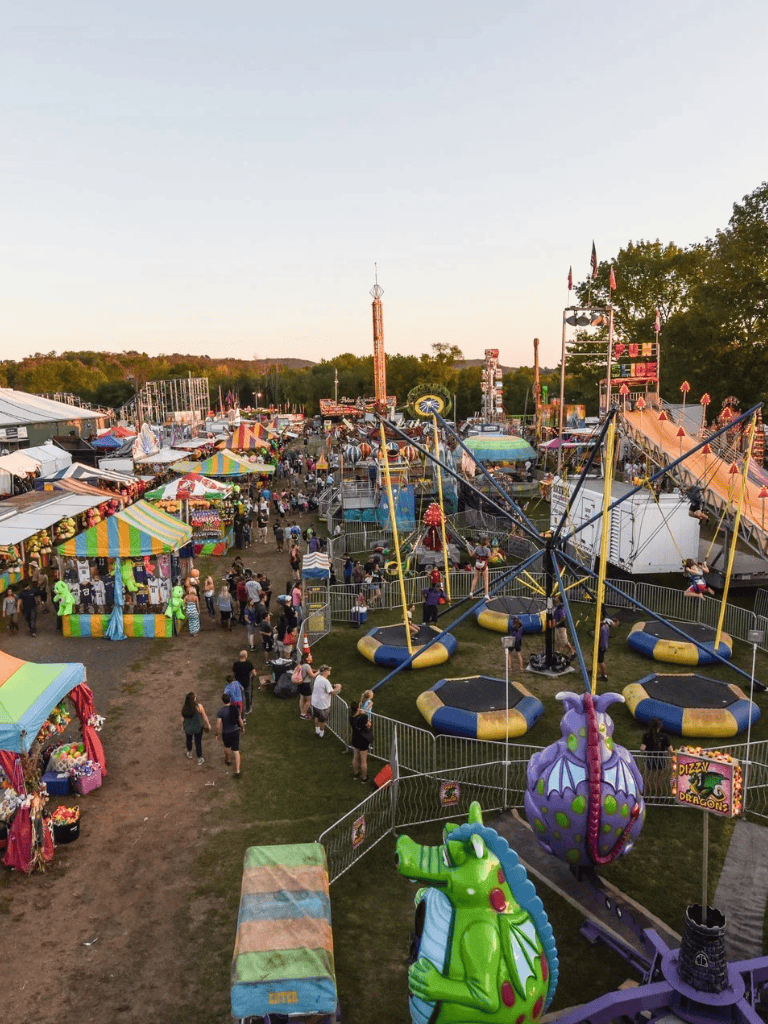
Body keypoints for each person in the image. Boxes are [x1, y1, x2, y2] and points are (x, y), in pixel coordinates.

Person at [640, 717, 673, 793]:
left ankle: (646, 794)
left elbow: (642, 748)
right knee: (659, 779)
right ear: (659, 726)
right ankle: (658, 795)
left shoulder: (647, 736)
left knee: (648, 778)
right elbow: (670, 749)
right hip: (661, 761)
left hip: (650, 761)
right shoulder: (664, 736)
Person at [216, 693, 245, 777]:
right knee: (236, 751)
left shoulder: (221, 711)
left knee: (226, 747)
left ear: (223, 701)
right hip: (235, 731)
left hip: (226, 732)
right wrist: (242, 728)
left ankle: (228, 760)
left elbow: (218, 725)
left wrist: (217, 733)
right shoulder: (235, 709)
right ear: (230, 700)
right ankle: (238, 771)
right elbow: (239, 720)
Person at [311, 665, 342, 738]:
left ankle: (317, 730)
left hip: (315, 703)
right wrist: (338, 687)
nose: (329, 671)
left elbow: (325, 687)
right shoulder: (326, 681)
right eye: (328, 670)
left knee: (316, 717)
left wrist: (333, 685)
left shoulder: (318, 677)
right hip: (323, 705)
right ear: (325, 672)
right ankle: (322, 734)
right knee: (322, 720)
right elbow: (332, 693)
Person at [181, 691, 210, 765]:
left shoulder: (185, 708)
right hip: (198, 728)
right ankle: (199, 758)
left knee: (188, 739)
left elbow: (182, 719)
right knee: (198, 742)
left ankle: (189, 752)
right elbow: (204, 716)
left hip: (188, 728)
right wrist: (208, 724)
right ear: (194, 699)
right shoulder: (198, 706)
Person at [349, 700, 373, 782]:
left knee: (355, 756)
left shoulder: (351, 717)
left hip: (355, 738)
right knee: (363, 760)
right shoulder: (363, 717)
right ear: (358, 708)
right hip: (363, 739)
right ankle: (364, 778)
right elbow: (368, 726)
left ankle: (355, 774)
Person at [232, 650, 257, 716]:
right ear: (245, 656)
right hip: (246, 683)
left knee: (240, 698)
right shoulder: (249, 664)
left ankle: (241, 710)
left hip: (238, 684)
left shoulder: (236, 664)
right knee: (247, 696)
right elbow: (254, 673)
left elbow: (234, 673)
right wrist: (253, 675)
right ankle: (248, 709)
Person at [295, 652, 318, 719]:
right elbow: (312, 675)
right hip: (306, 685)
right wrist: (318, 672)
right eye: (310, 655)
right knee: (309, 700)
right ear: (306, 658)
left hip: (300, 683)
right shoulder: (307, 666)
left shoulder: (301, 665)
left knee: (302, 698)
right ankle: (303, 714)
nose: (311, 656)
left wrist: (314, 670)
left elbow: (308, 670)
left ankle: (302, 711)